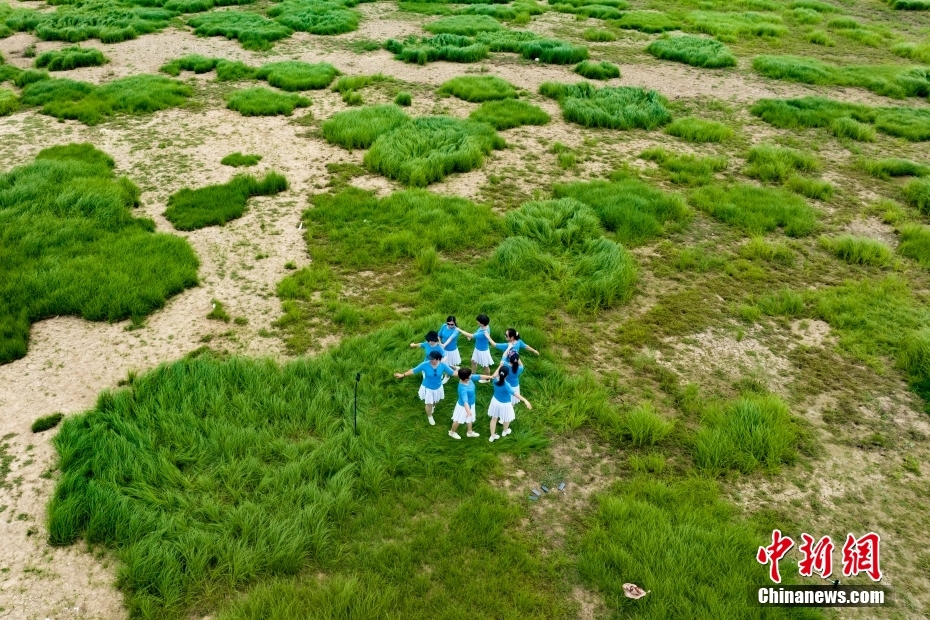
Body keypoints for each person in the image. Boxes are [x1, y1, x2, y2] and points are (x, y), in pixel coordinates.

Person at [394, 350, 455, 426]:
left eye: (432, 359)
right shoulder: (425, 364)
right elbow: (414, 370)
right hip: (428, 388)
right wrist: (403, 375)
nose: (430, 361)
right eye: (430, 359)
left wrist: (465, 375)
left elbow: (453, 372)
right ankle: (429, 416)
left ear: (438, 359)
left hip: (438, 387)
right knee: (429, 403)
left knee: (436, 401)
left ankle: (433, 407)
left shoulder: (443, 365)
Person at [487, 366, 531, 442]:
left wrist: (500, 366)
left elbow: (494, 375)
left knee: (494, 418)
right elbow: (515, 394)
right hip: (505, 404)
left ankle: (492, 435)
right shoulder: (506, 385)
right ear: (507, 375)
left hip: (495, 401)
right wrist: (525, 400)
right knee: (507, 418)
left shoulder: (494, 380)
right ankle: (505, 431)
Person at [459, 314, 496, 383]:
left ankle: (487, 379)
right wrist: (472, 336)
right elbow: (476, 333)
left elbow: (471, 335)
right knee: (473, 361)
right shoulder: (484, 327)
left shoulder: (484, 332)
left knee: (485, 366)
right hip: (477, 349)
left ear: (482, 323)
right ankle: (473, 374)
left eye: (478, 321)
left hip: (483, 351)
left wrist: (460, 330)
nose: (477, 322)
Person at [448, 368, 481, 439]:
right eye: (470, 375)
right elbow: (465, 401)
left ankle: (470, 432)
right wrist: (468, 411)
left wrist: (491, 377)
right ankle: (452, 432)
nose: (471, 375)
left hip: (471, 404)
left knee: (469, 419)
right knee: (457, 420)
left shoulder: (468, 379)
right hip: (463, 407)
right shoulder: (463, 389)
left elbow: (479, 376)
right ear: (466, 378)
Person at [438, 316, 461, 385]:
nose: (450, 326)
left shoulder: (456, 330)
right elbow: (439, 335)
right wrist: (440, 343)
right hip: (443, 349)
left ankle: (447, 376)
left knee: (447, 364)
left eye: (452, 324)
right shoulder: (443, 326)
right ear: (446, 322)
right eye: (449, 324)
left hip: (451, 350)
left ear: (455, 323)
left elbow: (451, 338)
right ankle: (455, 368)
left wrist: (444, 345)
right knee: (443, 362)